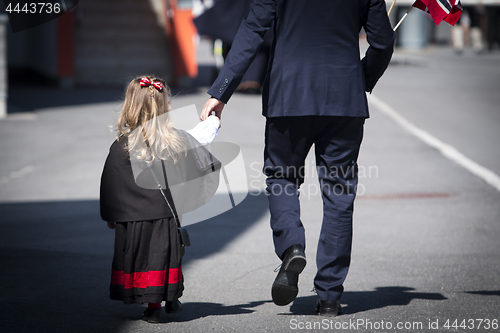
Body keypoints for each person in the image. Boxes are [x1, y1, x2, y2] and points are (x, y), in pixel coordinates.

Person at [201, 0, 395, 316]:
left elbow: (252, 30)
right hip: (344, 96)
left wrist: (221, 92)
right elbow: (383, 43)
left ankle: (292, 246)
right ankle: (330, 295)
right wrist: (363, 78)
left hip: (288, 93)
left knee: (281, 178)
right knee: (339, 195)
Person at [100, 76, 220, 323]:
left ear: (130, 105)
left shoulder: (121, 145)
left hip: (133, 218)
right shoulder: (175, 141)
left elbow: (111, 182)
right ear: (165, 106)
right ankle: (161, 302)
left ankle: (152, 304)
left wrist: (111, 216)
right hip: (165, 216)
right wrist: (214, 123)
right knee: (162, 257)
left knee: (141, 259)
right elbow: (201, 163)